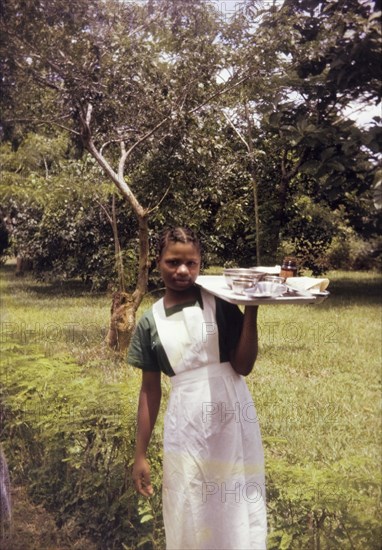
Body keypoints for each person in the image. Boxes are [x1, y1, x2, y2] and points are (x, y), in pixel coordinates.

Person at [128, 227, 267, 550]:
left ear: (201, 264)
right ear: (157, 263)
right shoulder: (152, 321)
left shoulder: (219, 304)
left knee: (236, 497)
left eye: (191, 263)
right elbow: (150, 390)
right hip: (186, 425)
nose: (182, 271)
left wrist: (252, 307)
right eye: (172, 262)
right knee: (191, 503)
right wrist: (140, 454)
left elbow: (243, 366)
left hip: (232, 416)